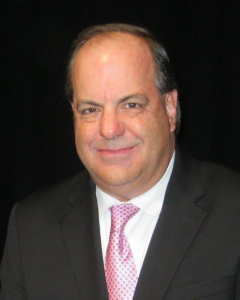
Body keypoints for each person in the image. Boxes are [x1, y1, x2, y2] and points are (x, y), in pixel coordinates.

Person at [1, 23, 240, 300]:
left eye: (131, 105)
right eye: (91, 109)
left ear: (170, 109)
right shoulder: (31, 228)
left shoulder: (233, 213)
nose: (110, 129)